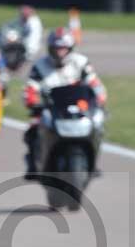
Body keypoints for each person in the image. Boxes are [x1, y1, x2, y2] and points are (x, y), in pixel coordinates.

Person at [22, 27, 107, 179]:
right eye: (57, 48)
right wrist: (32, 101)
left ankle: (92, 162)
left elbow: (95, 84)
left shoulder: (81, 63)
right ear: (50, 48)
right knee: (33, 129)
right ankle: (33, 165)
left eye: (63, 48)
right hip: (53, 109)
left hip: (78, 109)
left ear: (70, 48)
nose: (60, 52)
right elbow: (30, 88)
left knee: (97, 126)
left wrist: (99, 99)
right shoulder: (40, 66)